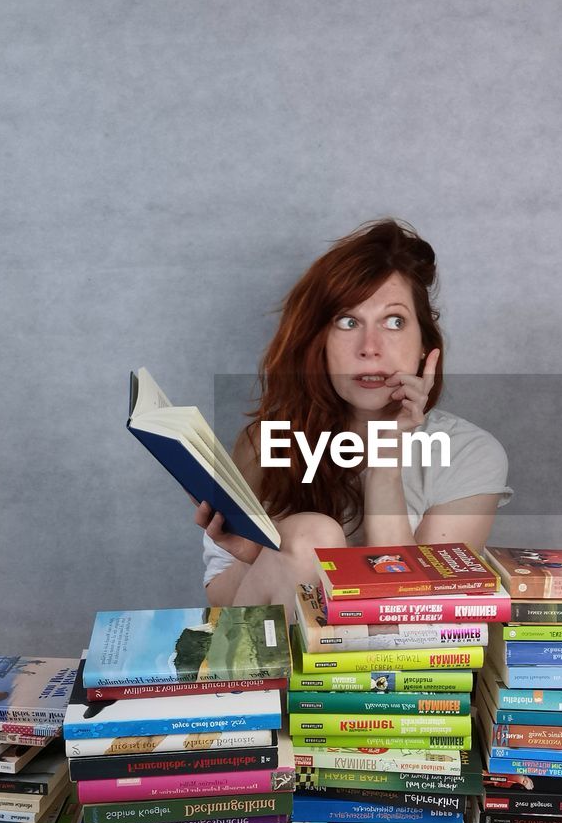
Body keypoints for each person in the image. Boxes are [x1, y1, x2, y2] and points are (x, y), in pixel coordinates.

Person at [195, 219, 512, 611]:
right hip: (287, 662)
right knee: (313, 532)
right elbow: (219, 599)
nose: (370, 347)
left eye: (394, 322)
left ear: (424, 346)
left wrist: (385, 464)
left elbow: (416, 609)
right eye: (348, 322)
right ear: (319, 344)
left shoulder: (470, 454)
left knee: (315, 535)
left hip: (408, 667)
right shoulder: (267, 442)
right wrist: (269, 557)